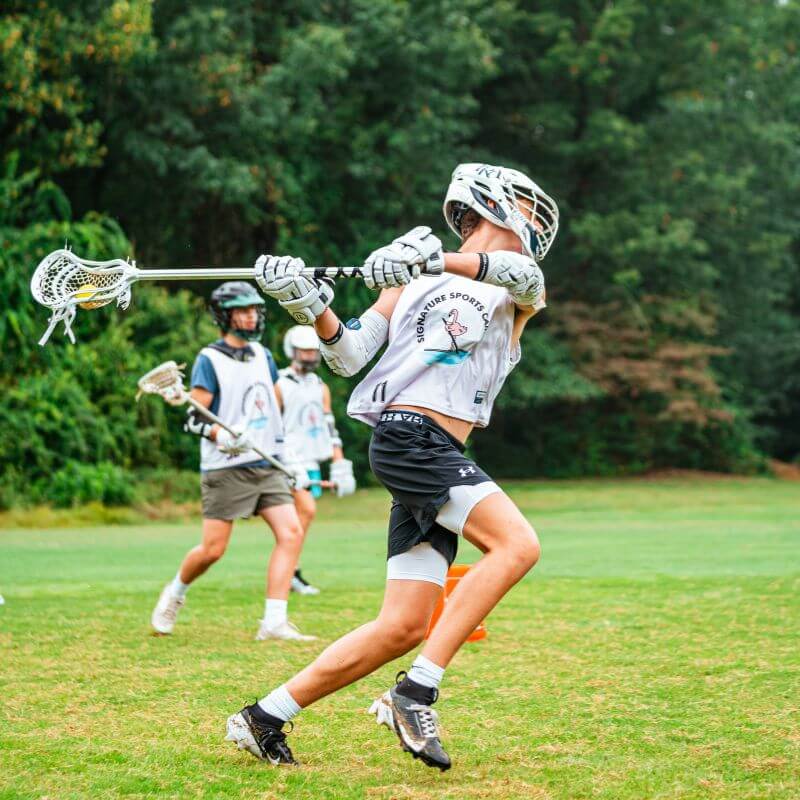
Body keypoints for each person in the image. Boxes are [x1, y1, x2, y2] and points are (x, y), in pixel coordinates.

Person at [224, 163, 558, 769]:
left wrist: (426, 261)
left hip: (438, 451)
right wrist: (308, 303)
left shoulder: (513, 285)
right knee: (518, 546)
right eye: (531, 211)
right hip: (410, 440)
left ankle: (265, 716)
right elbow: (348, 354)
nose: (537, 225)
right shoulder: (406, 280)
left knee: (402, 626)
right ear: (491, 204)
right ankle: (416, 690)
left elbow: (519, 275)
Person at [150, 281, 317, 642]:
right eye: (243, 310)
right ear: (225, 316)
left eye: (254, 309)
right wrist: (221, 435)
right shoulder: (209, 359)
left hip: (265, 463)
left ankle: (273, 620)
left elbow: (274, 408)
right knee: (213, 550)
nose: (251, 316)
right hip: (225, 467)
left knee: (291, 533)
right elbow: (195, 416)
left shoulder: (263, 355)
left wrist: (288, 455)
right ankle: (175, 591)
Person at [275, 326, 357, 595]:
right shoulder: (280, 383)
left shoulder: (320, 386)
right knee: (306, 511)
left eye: (313, 351)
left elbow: (328, 424)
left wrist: (339, 463)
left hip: (310, 462)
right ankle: (288, 574)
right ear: (293, 351)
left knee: (300, 519)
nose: (310, 356)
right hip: (287, 462)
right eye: (305, 351)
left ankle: (289, 571)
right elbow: (272, 427)